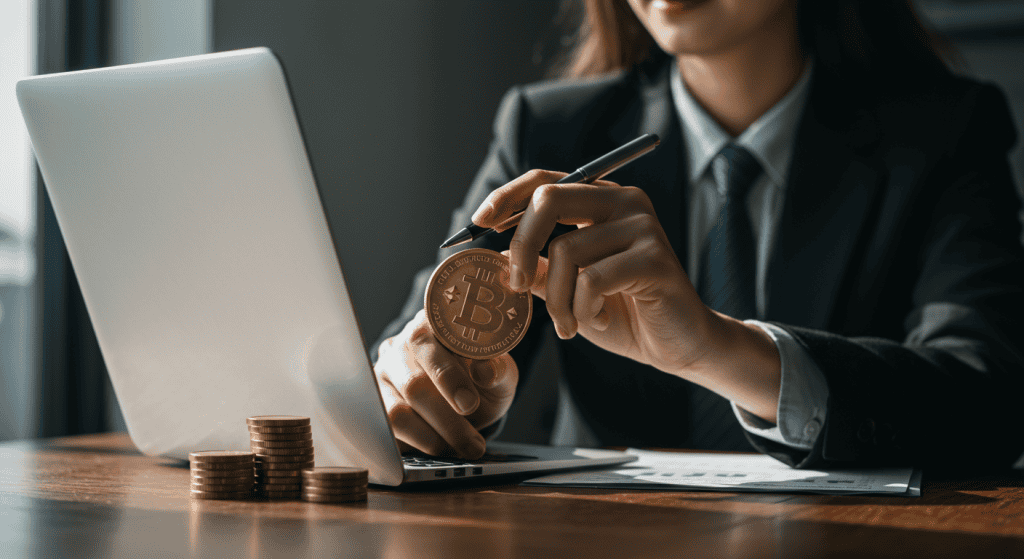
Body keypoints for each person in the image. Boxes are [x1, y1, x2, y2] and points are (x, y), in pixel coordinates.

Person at [372, 0, 1024, 470]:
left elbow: (988, 399)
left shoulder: (947, 134)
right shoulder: (548, 128)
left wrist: (717, 349)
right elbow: (419, 342)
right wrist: (439, 388)